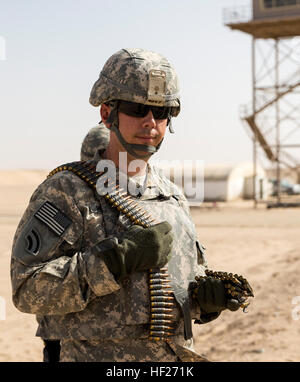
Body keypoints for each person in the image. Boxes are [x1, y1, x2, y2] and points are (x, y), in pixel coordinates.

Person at [10, 48, 241, 362]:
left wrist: (204, 301)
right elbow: (27, 289)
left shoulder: (172, 197)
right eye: (137, 108)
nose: (150, 122)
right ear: (107, 114)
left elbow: (169, 294)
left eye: (162, 112)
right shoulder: (67, 190)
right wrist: (112, 261)